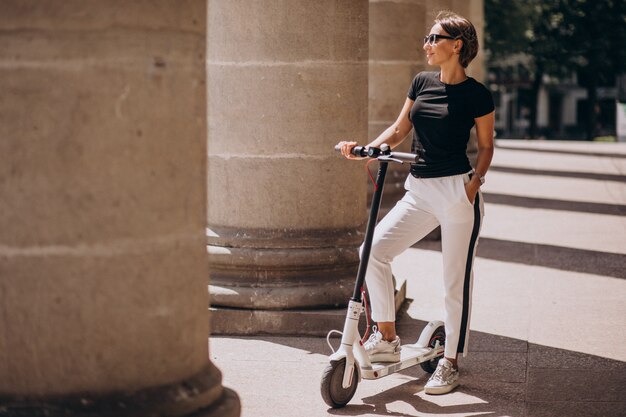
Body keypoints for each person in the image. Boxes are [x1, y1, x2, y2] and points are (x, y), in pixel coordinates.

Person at [336, 11, 495, 395]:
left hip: (457, 193)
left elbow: (487, 146)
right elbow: (399, 127)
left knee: (454, 283)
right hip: (419, 190)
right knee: (371, 250)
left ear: (456, 45)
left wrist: (473, 186)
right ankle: (387, 338)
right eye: (427, 37)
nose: (425, 44)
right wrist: (370, 148)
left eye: (433, 38)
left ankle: (450, 362)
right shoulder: (422, 82)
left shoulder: (477, 93)